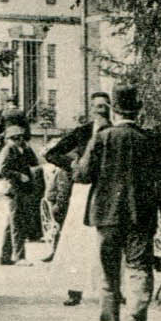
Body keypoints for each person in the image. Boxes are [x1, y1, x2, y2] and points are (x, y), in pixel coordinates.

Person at [74, 85, 161, 321]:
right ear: (138, 110)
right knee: (139, 267)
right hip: (141, 214)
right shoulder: (149, 139)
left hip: (106, 215)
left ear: (114, 111)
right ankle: (137, 317)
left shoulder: (103, 137)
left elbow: (82, 175)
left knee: (109, 272)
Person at [46, 97, 110, 304]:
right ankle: (75, 289)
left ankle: (111, 290)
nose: (101, 110)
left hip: (108, 190)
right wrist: (74, 165)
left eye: (105, 106)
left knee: (107, 237)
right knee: (78, 240)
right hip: (84, 189)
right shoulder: (83, 132)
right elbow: (52, 154)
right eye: (97, 106)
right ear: (91, 109)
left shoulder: (116, 132)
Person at [0, 118, 43, 264]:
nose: (18, 140)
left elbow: (34, 162)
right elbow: (2, 170)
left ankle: (5, 257)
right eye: (15, 138)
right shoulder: (8, 150)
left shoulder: (22, 149)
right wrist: (19, 175)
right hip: (14, 189)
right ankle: (19, 256)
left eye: (21, 138)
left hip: (22, 190)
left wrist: (28, 149)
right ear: (10, 139)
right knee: (17, 224)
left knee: (12, 224)